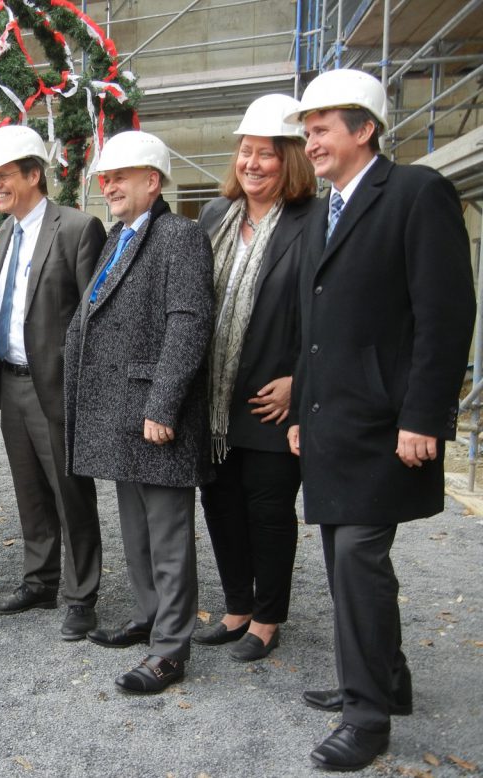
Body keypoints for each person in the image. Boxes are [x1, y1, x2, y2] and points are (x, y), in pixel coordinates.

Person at [284, 69, 474, 771]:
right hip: (333, 422)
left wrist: (425, 414)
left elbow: (446, 314)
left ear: (364, 128)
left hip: (387, 422)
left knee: (358, 560)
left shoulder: (417, 194)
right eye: (308, 129)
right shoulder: (327, 210)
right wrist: (302, 409)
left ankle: (367, 717)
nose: (312, 140)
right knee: (345, 562)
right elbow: (314, 326)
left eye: (322, 126)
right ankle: (387, 679)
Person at [64, 131, 214, 693]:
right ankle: (150, 615)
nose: (108, 185)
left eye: (119, 176)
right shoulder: (121, 238)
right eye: (105, 177)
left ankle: (171, 649)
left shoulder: (179, 236)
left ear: (153, 181)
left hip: (153, 413)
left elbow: (187, 322)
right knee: (136, 530)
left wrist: (163, 404)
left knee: (168, 537)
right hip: (120, 411)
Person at [192, 95, 316, 661]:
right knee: (220, 504)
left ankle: (268, 617)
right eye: (246, 152)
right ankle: (238, 605)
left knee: (267, 509)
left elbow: (326, 313)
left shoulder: (312, 222)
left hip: (271, 397)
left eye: (267, 154)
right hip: (214, 398)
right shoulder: (217, 216)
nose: (253, 164)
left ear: (289, 159)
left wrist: (300, 379)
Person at [0, 125, 106, 641]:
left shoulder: (77, 228)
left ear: (34, 174)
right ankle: (40, 580)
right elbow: (3, 299)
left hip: (57, 388)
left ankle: (81, 595)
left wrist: (83, 390)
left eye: (3, 176)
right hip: (11, 383)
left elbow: (93, 315)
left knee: (71, 494)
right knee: (30, 492)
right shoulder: (8, 233)